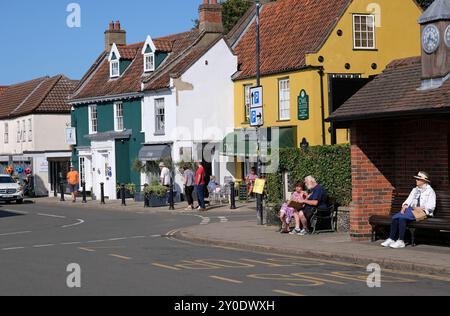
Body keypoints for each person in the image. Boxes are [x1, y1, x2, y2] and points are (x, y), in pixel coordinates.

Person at [381, 172, 436, 249]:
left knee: (402, 218)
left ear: (424, 181)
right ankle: (391, 239)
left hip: (423, 213)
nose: (416, 180)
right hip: (412, 210)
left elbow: (431, 206)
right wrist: (405, 205)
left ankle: (401, 241)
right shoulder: (415, 190)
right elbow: (408, 199)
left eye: (418, 179)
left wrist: (421, 208)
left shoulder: (430, 191)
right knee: (395, 218)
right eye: (416, 179)